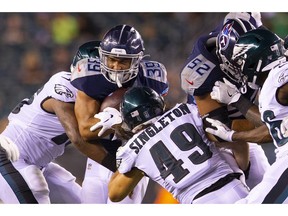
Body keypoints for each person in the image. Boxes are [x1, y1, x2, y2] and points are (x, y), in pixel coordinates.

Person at [70, 24, 169, 203]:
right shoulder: (90, 76)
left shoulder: (152, 77)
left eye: (123, 61)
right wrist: (115, 123)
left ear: (137, 60)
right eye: (111, 60)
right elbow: (84, 130)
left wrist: (123, 121)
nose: (116, 66)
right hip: (100, 157)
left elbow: (160, 122)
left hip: (135, 159)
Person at [106, 86, 251, 204]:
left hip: (198, 201)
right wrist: (244, 170)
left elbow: (115, 194)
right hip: (232, 187)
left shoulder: (134, 149)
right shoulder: (187, 111)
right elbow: (238, 141)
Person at [180, 12, 270, 189]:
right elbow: (218, 131)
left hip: (242, 127)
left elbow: (275, 122)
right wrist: (244, 168)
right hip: (214, 142)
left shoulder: (256, 38)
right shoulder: (203, 72)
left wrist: (238, 100)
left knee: (267, 187)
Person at [0, 69, 117, 203]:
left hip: (39, 163)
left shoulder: (92, 94)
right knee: (35, 185)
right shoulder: (64, 88)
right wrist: (118, 168)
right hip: (9, 158)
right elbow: (78, 139)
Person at [206, 28, 288, 203]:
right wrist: (237, 100)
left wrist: (232, 136)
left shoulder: (278, 74)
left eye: (239, 62)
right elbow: (270, 126)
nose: (239, 69)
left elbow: (267, 132)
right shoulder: (272, 83)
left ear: (252, 60)